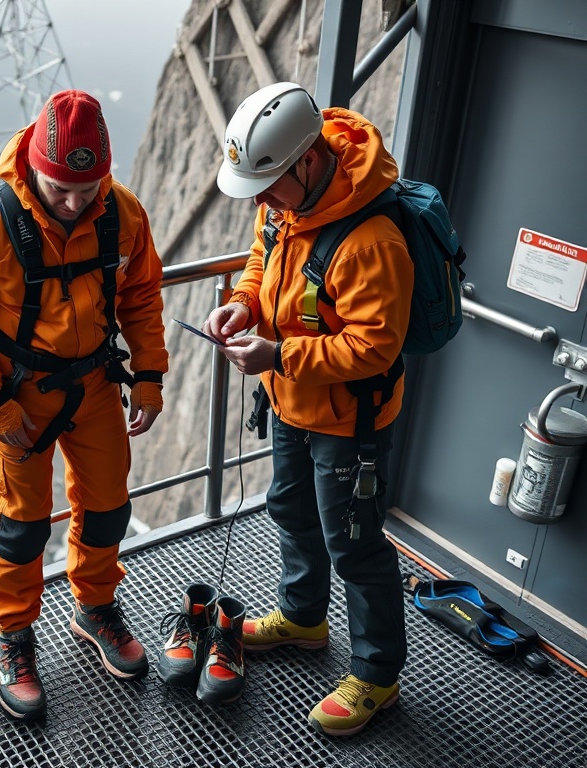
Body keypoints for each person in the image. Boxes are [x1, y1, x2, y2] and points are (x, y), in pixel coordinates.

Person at [0, 89, 168, 721]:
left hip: (94, 390)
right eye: (59, 187)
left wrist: (148, 378)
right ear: (33, 165)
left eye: (85, 190)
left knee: (110, 506)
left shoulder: (122, 215)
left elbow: (141, 297)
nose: (72, 202)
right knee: (23, 523)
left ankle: (94, 608)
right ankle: (14, 637)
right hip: (20, 399)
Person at [203, 82, 413, 737]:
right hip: (292, 404)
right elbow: (264, 261)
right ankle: (303, 618)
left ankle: (377, 676)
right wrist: (243, 301)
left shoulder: (372, 240)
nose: (261, 204)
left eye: (268, 188)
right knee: (290, 510)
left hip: (349, 424)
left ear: (310, 161)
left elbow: (374, 348)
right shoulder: (282, 204)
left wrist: (279, 357)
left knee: (355, 546)